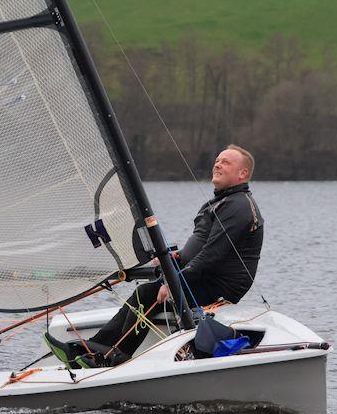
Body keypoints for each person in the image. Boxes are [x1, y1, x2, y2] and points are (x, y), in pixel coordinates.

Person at [44, 144, 264, 369]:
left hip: (219, 287)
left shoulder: (239, 206)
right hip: (202, 277)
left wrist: (176, 282)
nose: (217, 164)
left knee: (148, 293)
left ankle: (116, 355)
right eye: (217, 159)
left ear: (242, 174)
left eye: (226, 162)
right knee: (144, 291)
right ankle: (94, 347)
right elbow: (200, 247)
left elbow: (211, 255)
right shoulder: (222, 202)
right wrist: (173, 259)